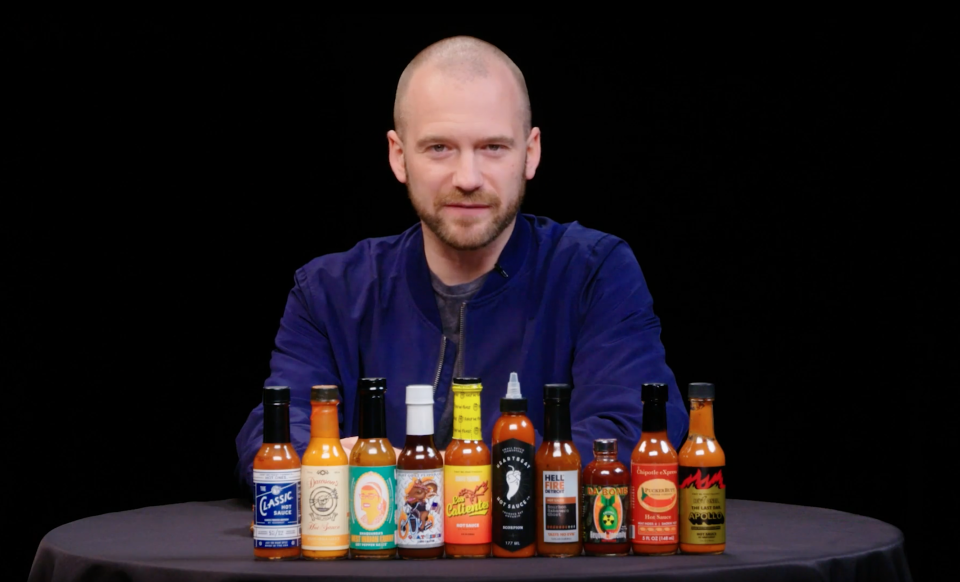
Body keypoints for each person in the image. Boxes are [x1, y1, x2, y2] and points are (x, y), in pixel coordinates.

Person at [235, 36, 688, 495]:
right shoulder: (329, 291)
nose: (467, 178)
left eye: (493, 147)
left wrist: (421, 477)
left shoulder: (594, 272)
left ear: (530, 153)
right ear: (398, 156)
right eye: (439, 148)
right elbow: (273, 446)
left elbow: (634, 433)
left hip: (537, 565)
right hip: (376, 567)